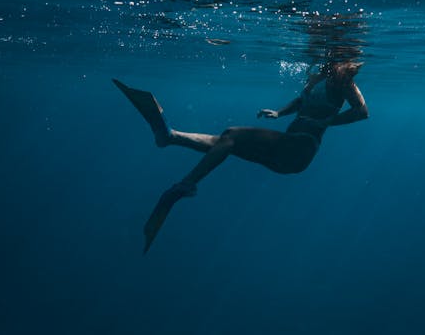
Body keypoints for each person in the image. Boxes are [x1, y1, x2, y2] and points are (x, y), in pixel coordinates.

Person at [113, 60, 368, 253]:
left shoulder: (342, 80)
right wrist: (279, 114)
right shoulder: (319, 75)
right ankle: (171, 136)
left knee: (232, 134)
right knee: (227, 142)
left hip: (300, 150)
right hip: (287, 149)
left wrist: (327, 120)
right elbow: (302, 102)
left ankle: (187, 182)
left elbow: (361, 111)